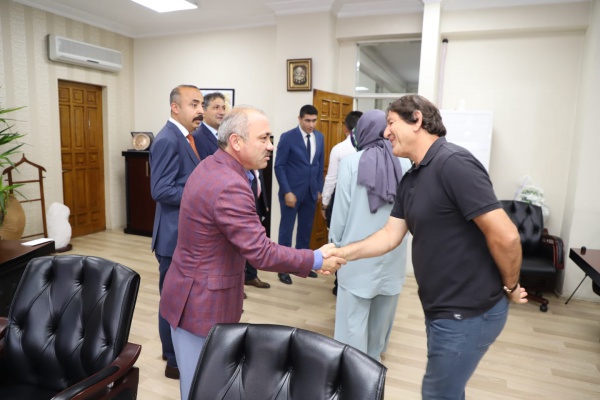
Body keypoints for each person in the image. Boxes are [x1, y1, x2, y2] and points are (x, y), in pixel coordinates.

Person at [329, 95, 528, 399]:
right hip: (440, 308)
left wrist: (511, 286)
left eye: (391, 123)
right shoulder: (411, 177)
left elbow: (507, 236)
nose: (385, 132)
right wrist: (342, 253)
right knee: (447, 391)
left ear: (417, 120)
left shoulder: (454, 163)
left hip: (466, 311)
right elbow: (390, 235)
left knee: (437, 393)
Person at [159, 105, 346, 400]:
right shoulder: (229, 184)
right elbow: (261, 252)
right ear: (236, 141)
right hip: (200, 306)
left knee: (204, 388)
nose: (270, 146)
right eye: (263, 138)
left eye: (270, 138)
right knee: (202, 391)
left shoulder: (212, 165)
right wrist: (315, 258)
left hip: (190, 294)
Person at [329, 109, 410, 362]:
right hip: (393, 255)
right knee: (380, 322)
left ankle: (353, 368)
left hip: (355, 255)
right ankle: (373, 365)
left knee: (352, 321)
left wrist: (335, 247)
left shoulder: (351, 163)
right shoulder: (406, 164)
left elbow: (340, 213)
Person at [149, 84, 204, 379]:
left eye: (201, 104)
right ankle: (172, 360)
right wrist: (201, 194)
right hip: (172, 238)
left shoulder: (186, 138)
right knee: (171, 300)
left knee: (180, 299)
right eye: (194, 104)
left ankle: (176, 352)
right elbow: (160, 190)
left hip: (184, 234)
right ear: (175, 107)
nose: (200, 110)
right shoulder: (167, 140)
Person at [275, 104, 324, 284]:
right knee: (286, 232)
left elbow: (319, 164)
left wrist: (319, 189)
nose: (311, 124)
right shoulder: (288, 137)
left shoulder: (320, 137)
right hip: (291, 194)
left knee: (305, 231)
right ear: (300, 119)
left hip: (310, 193)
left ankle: (302, 266)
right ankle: (283, 268)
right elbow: (279, 166)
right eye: (308, 120)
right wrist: (287, 191)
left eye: (314, 121)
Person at [321, 110, 363, 226]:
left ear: (345, 128)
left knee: (337, 233)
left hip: (340, 199)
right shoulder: (371, 148)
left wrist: (325, 204)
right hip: (362, 202)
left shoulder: (338, 149)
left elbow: (331, 179)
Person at [192, 91, 226, 160]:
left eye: (223, 108)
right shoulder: (197, 138)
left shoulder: (226, 135)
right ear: (203, 112)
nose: (222, 112)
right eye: (216, 107)